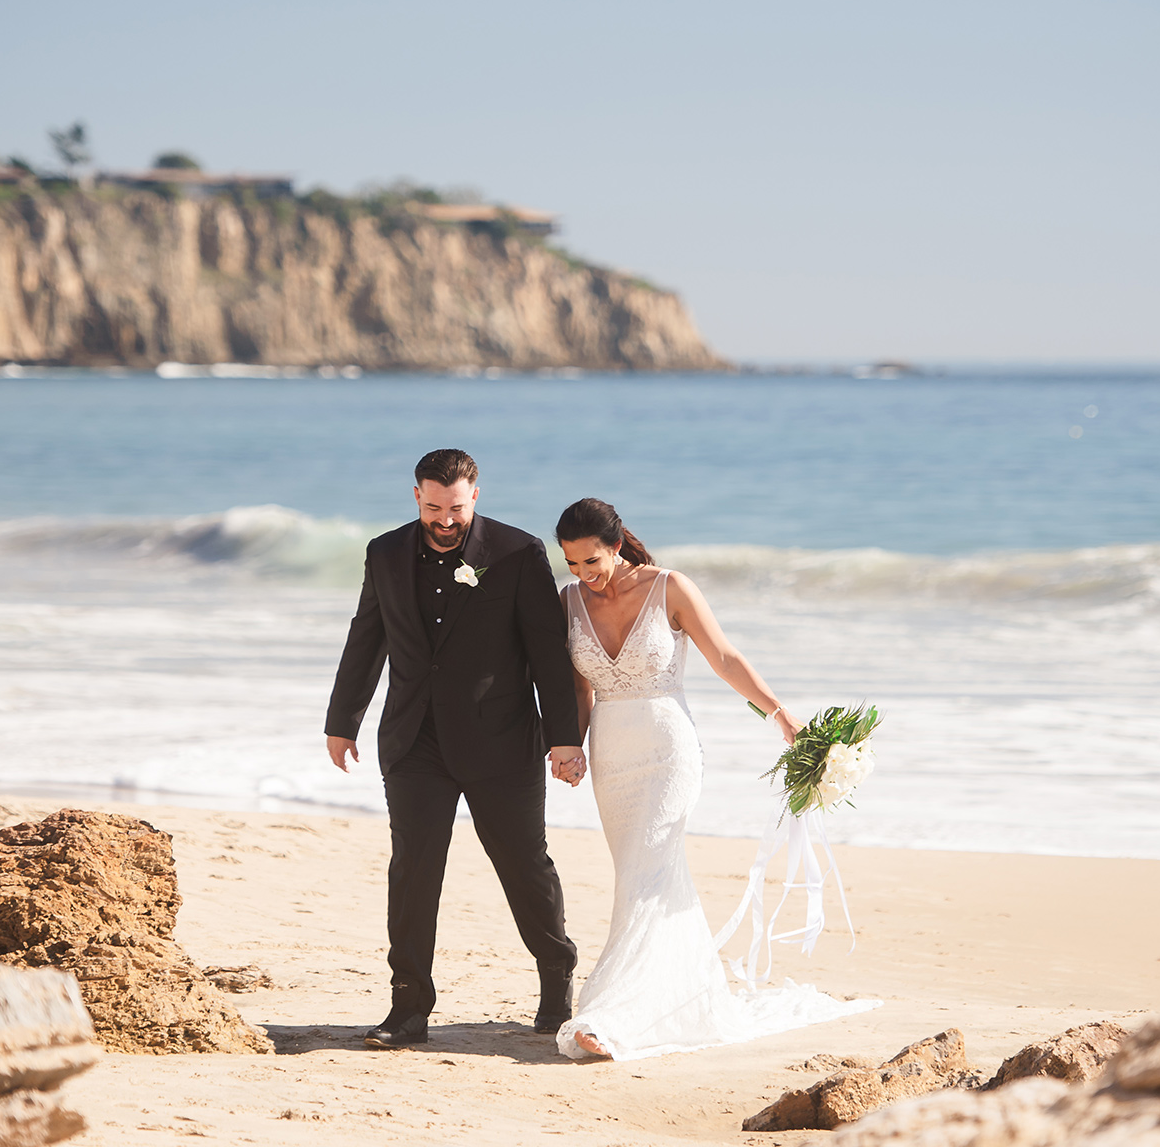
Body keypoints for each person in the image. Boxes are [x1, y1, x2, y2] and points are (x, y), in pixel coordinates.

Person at [551, 497, 876, 1061]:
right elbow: (580, 687)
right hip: (612, 756)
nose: (584, 575)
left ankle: (611, 1013)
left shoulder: (669, 587)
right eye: (572, 564)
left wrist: (779, 714)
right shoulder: (569, 601)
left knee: (645, 874)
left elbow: (724, 655)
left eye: (592, 563)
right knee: (641, 874)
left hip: (669, 752)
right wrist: (572, 745)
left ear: (618, 545)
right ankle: (671, 999)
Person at [324, 449, 588, 1049]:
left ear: (477, 496)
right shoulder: (385, 552)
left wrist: (564, 738)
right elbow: (367, 635)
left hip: (501, 738)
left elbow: (547, 652)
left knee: (523, 864)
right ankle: (409, 1008)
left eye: (458, 508)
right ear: (416, 495)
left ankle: (555, 978)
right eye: (435, 506)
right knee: (413, 869)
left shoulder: (519, 554)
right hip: (414, 738)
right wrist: (343, 720)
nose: (446, 519)